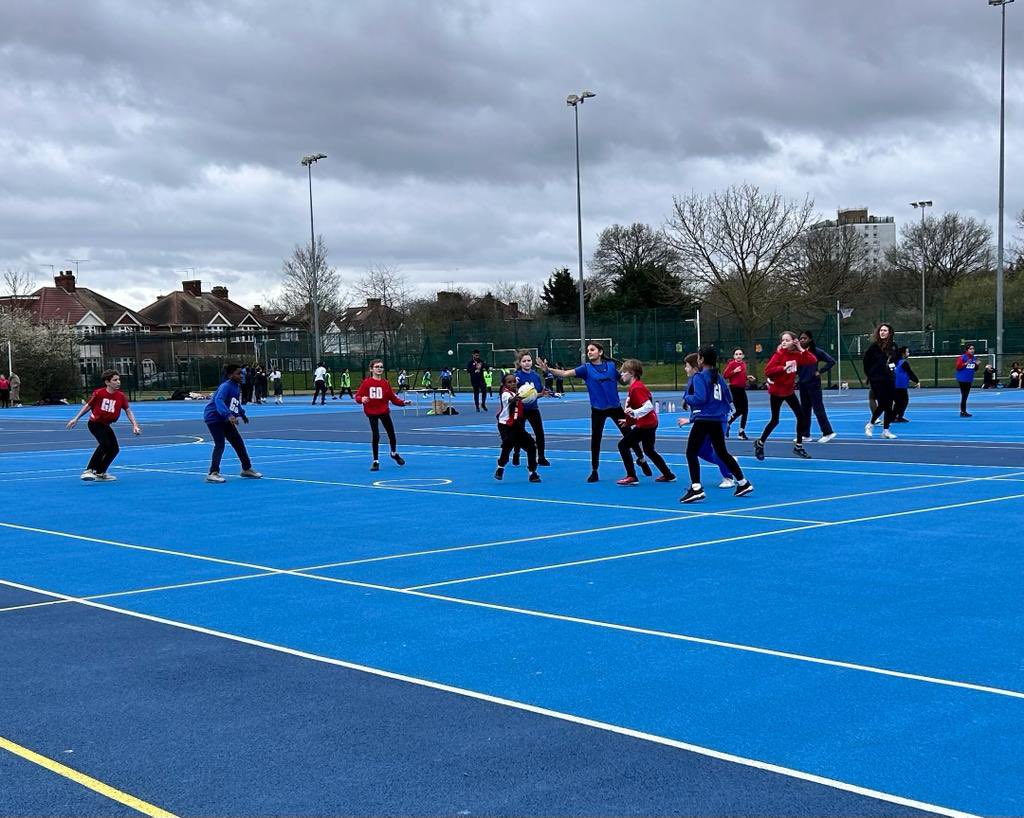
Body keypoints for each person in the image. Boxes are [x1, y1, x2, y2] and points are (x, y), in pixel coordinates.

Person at [539, 341, 648, 482]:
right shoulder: (586, 369)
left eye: (592, 350)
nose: (589, 352)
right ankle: (595, 470)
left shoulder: (611, 366)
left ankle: (641, 459)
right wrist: (548, 370)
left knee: (629, 435)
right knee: (596, 440)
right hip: (598, 410)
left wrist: (631, 372)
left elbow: (623, 381)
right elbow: (565, 373)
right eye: (588, 350)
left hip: (615, 407)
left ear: (600, 352)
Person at [680, 347, 752, 503]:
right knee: (722, 452)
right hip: (718, 418)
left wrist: (687, 397)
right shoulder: (717, 376)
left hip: (705, 418)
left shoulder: (700, 376)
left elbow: (700, 398)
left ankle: (696, 488)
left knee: (691, 452)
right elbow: (728, 396)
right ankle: (743, 482)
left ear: (701, 359)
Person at [66, 369, 142, 481]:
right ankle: (88, 470)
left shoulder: (120, 396)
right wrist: (76, 418)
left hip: (106, 425)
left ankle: (100, 473)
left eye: (119, 379)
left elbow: (128, 410)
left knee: (114, 449)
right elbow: (88, 406)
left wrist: (134, 425)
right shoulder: (99, 393)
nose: (118, 382)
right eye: (115, 380)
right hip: (95, 423)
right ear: (107, 382)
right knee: (105, 444)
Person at [754, 331, 817, 460]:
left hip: (789, 392)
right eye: (782, 340)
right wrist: (782, 368)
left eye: (787, 340)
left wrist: (800, 348)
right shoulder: (778, 355)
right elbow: (768, 371)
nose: (784, 342)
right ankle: (760, 443)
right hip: (777, 392)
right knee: (775, 420)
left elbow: (812, 360)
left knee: (801, 417)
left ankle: (798, 446)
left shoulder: (796, 355)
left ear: (794, 342)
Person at [678, 354, 734, 488]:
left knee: (716, 449)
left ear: (695, 367)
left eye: (687, 366)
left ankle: (728, 476)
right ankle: (728, 461)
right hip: (707, 419)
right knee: (701, 450)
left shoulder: (704, 379)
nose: (685, 369)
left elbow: (704, 401)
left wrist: (727, 410)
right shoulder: (695, 380)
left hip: (715, 419)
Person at [615, 359, 674, 485]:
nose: (621, 374)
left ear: (632, 373)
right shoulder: (635, 387)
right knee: (649, 450)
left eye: (624, 372)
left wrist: (635, 414)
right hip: (650, 423)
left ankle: (631, 476)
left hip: (645, 425)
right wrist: (629, 421)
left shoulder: (636, 388)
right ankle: (668, 474)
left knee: (623, 445)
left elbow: (648, 406)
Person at [203, 364, 262, 483]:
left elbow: (234, 403)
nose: (241, 375)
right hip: (214, 418)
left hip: (225, 419)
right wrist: (228, 415)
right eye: (238, 373)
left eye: (242, 373)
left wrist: (242, 413)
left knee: (238, 443)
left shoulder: (235, 387)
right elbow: (218, 400)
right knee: (220, 444)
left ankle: (246, 469)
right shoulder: (226, 386)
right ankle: (213, 473)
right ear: (230, 375)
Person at [355, 358, 409, 471]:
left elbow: (393, 398)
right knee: (376, 436)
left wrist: (403, 403)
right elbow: (358, 396)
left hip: (383, 411)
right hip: (371, 412)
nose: (379, 369)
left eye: (381, 367)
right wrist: (362, 399)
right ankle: (375, 461)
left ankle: (394, 453)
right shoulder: (367, 383)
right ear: (371, 369)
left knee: (391, 434)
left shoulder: (385, 383)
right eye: (377, 367)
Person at [494, 372, 540, 483]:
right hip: (505, 425)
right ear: (504, 384)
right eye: (509, 382)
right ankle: (500, 467)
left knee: (531, 446)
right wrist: (519, 397)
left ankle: (532, 473)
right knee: (508, 443)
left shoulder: (518, 392)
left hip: (516, 425)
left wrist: (540, 394)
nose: (513, 384)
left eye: (514, 381)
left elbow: (524, 396)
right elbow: (511, 399)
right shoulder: (505, 394)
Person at [512, 350, 552, 467]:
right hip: (520, 409)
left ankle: (541, 457)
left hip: (533, 409)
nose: (527, 363)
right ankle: (516, 453)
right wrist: (515, 386)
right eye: (524, 361)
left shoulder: (535, 376)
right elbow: (510, 392)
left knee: (540, 433)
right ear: (519, 363)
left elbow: (536, 394)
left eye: (529, 360)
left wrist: (542, 394)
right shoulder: (517, 376)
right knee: (519, 433)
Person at [797, 330, 836, 443]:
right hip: (803, 383)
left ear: (810, 339)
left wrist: (820, 371)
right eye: (801, 338)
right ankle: (805, 434)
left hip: (814, 383)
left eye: (804, 338)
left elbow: (831, 361)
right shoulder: (799, 353)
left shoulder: (816, 351)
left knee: (818, 408)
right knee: (805, 410)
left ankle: (828, 432)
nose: (802, 340)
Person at [862, 323, 898, 438]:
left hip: (889, 378)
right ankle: (870, 424)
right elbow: (866, 362)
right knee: (883, 403)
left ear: (889, 333)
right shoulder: (874, 347)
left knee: (888, 405)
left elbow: (895, 360)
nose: (882, 332)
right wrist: (870, 375)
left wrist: (892, 368)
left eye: (885, 330)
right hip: (877, 379)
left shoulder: (893, 346)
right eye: (881, 330)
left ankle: (885, 430)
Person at [723, 348, 749, 440]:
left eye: (740, 354)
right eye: (737, 354)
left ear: (743, 356)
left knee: (745, 410)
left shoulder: (743, 364)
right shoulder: (732, 364)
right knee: (740, 410)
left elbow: (741, 376)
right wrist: (734, 371)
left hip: (742, 388)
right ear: (734, 356)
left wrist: (747, 378)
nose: (738, 356)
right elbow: (725, 375)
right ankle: (728, 423)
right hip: (734, 389)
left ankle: (741, 431)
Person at [893, 346, 920, 422]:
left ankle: (894, 416)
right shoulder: (904, 363)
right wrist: (917, 381)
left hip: (894, 385)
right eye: (907, 352)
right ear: (903, 353)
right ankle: (898, 416)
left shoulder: (895, 362)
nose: (908, 353)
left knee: (898, 402)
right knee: (904, 401)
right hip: (900, 386)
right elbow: (910, 373)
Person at [955, 343, 977, 416]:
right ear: (967, 350)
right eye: (970, 349)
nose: (972, 350)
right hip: (962, 379)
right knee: (964, 395)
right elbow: (958, 367)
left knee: (965, 395)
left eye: (973, 348)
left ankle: (963, 411)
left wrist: (976, 364)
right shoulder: (962, 357)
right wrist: (965, 363)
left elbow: (974, 369)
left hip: (969, 379)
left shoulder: (974, 358)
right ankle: (963, 411)